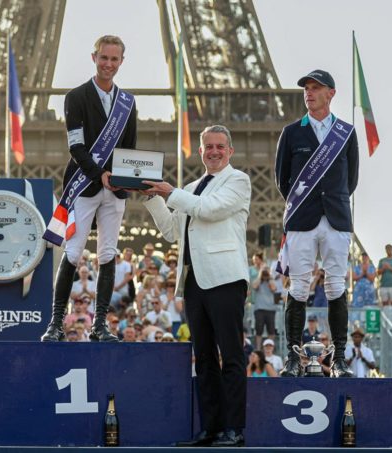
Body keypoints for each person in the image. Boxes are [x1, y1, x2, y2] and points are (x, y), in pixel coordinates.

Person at [142, 125, 250, 447]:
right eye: (208, 146)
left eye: (220, 146)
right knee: (203, 359)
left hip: (225, 277)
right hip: (194, 281)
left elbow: (209, 210)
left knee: (231, 355)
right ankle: (211, 428)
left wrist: (170, 192)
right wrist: (153, 197)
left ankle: (234, 429)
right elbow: (171, 232)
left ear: (230, 151)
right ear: (200, 151)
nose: (214, 151)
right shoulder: (190, 188)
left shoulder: (238, 180)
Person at [41, 35, 137, 343]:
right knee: (73, 252)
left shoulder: (127, 102)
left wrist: (127, 179)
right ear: (94, 57)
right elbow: (76, 147)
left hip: (115, 189)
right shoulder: (76, 97)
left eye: (114, 59)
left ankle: (100, 325)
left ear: (121, 62)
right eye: (103, 58)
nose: (108, 64)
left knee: (107, 254)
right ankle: (56, 323)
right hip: (84, 185)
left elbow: (129, 149)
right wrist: (100, 174)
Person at [274, 69, 359, 378]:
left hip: (335, 218)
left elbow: (351, 179)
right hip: (302, 218)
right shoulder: (291, 133)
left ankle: (339, 358)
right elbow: (282, 179)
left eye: (315, 88)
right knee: (298, 287)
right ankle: (293, 358)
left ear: (330, 93)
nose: (308, 93)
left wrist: (330, 200)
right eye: (306, 88)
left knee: (336, 286)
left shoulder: (346, 133)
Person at [251, 264, 277, 348]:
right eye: (264, 270)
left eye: (266, 270)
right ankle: (258, 349)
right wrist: (260, 274)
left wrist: (269, 276)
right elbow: (254, 286)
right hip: (259, 309)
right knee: (259, 331)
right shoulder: (258, 280)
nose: (265, 273)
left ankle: (270, 348)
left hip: (270, 309)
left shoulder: (272, 280)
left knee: (271, 331)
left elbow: (273, 288)